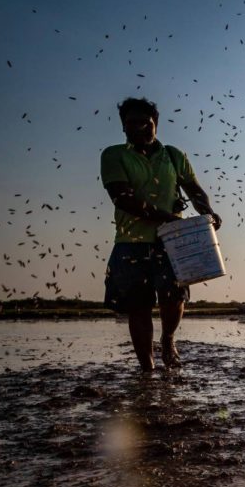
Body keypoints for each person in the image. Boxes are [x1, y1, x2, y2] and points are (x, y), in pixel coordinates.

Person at [101, 97, 222, 372]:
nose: (138, 128)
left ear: (156, 123)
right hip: (131, 243)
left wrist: (208, 214)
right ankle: (147, 368)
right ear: (123, 127)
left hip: (171, 241)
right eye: (131, 123)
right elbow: (123, 199)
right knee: (139, 307)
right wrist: (168, 217)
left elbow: (194, 190)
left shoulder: (173, 156)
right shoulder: (114, 155)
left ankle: (168, 338)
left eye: (145, 122)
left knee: (174, 298)